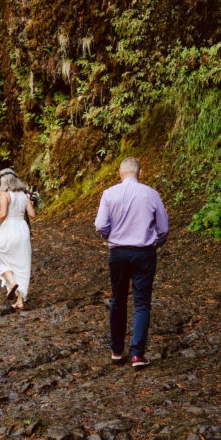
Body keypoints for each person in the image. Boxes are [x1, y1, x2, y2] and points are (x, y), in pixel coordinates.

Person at [94, 157, 169, 368]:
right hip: (144, 252)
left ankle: (117, 350)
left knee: (118, 299)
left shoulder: (109, 194)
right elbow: (163, 228)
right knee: (142, 302)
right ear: (140, 173)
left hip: (118, 253)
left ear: (120, 173)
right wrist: (155, 243)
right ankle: (137, 354)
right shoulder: (151, 194)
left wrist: (111, 236)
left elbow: (100, 225)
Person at [0, 167, 35, 310]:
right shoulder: (24, 195)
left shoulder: (4, 194)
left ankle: (12, 282)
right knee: (22, 265)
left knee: (4, 262)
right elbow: (32, 214)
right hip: (22, 229)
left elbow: (2, 214)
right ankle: (20, 300)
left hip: (8, 230)